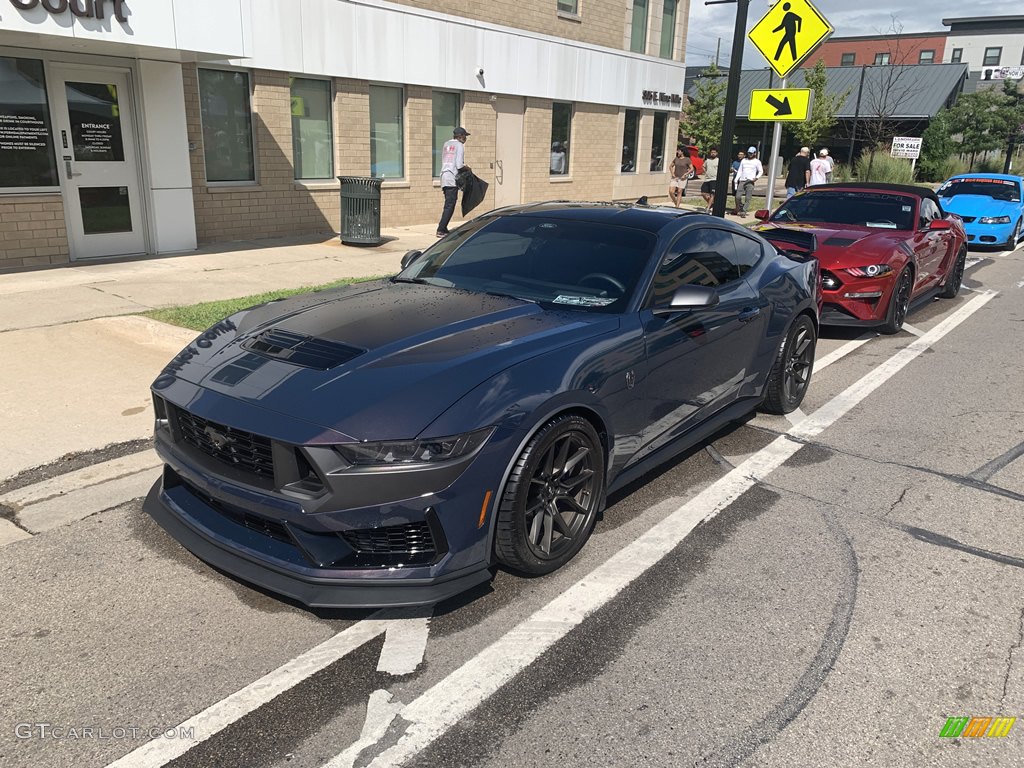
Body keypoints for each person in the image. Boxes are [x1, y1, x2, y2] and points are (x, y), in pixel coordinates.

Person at [437, 126, 470, 237]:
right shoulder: (459, 145)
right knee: (450, 205)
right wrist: (467, 168)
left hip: (444, 176)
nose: (466, 138)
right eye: (465, 136)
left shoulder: (446, 144)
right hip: (452, 177)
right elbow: (459, 165)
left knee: (448, 204)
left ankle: (443, 228)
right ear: (460, 136)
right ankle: (441, 229)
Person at [733, 146, 763, 217]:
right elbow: (740, 170)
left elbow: (761, 171)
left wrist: (756, 178)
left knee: (748, 197)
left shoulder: (757, 162)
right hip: (742, 180)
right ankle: (740, 206)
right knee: (737, 196)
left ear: (755, 153)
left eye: (751, 153)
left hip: (750, 181)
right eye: (749, 153)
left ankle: (744, 211)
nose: (750, 154)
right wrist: (736, 179)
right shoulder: (744, 160)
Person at [700, 147, 720, 212]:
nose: (713, 153)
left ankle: (708, 208)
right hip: (707, 179)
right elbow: (703, 166)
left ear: (717, 153)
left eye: (714, 152)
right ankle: (711, 203)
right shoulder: (707, 160)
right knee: (703, 193)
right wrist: (705, 172)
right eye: (712, 152)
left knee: (712, 194)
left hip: (715, 179)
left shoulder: (718, 160)